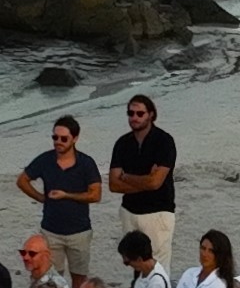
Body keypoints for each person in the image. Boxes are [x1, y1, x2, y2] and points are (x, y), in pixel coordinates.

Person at [16, 114, 105, 258]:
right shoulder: (45, 160)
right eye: (55, 137)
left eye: (64, 138)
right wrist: (41, 198)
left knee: (79, 276)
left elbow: (95, 195)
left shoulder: (86, 163)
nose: (58, 142)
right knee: (52, 277)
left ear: (75, 139)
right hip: (50, 230)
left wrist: (67, 195)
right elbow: (22, 181)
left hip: (79, 231)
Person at [109, 94, 181, 270]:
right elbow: (113, 184)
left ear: (151, 115)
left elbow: (155, 183)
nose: (134, 117)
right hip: (129, 212)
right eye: (130, 113)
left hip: (158, 213)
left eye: (140, 114)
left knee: (158, 267)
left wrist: (126, 177)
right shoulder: (122, 143)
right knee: (134, 263)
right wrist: (145, 181)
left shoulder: (164, 141)